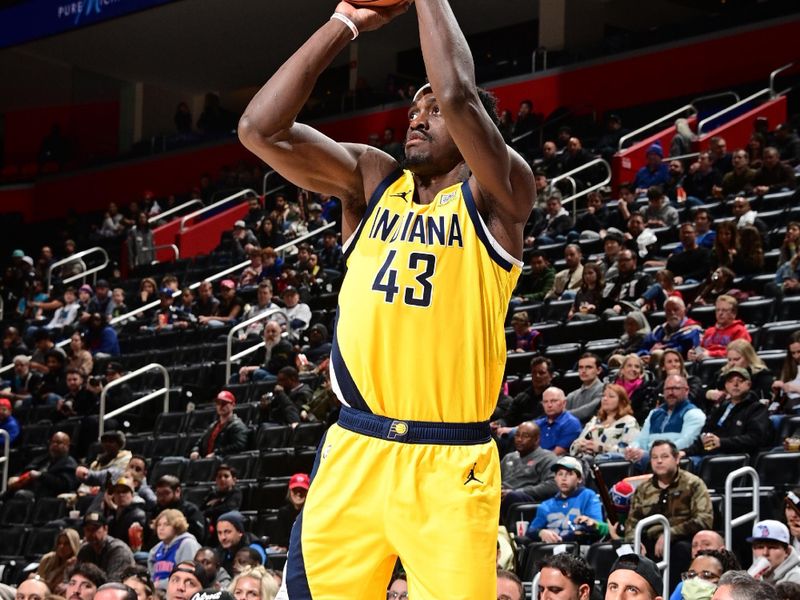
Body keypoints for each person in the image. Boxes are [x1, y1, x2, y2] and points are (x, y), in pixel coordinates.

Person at [239, 0, 536, 597]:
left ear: (479, 133)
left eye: (432, 112)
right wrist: (345, 22)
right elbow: (258, 130)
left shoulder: (499, 191)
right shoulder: (373, 181)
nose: (418, 119)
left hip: (450, 461)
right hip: (355, 445)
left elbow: (458, 94)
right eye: (412, 109)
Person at [625, 440, 713, 588]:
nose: (659, 461)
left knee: (679, 551)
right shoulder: (643, 489)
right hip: (648, 542)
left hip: (681, 541)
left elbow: (705, 519)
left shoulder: (693, 483)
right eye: (654, 457)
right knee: (624, 552)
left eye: (664, 456)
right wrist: (635, 541)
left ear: (677, 458)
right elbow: (631, 524)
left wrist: (670, 534)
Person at [683, 367, 773, 461]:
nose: (735, 384)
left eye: (740, 381)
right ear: (726, 385)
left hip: (738, 458)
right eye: (730, 381)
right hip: (712, 455)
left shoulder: (757, 408)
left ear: (748, 384)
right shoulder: (722, 407)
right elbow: (705, 434)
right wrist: (686, 451)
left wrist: (722, 442)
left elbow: (755, 439)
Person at [625, 375, 705, 470]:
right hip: (647, 457)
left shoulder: (694, 413)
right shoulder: (654, 413)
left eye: (676, 388)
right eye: (667, 389)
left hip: (670, 459)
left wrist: (652, 454)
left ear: (686, 390)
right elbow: (641, 439)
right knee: (615, 459)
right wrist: (632, 449)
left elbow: (686, 443)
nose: (671, 392)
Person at [525, 456, 605, 544]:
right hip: (551, 550)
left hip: (579, 547)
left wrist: (590, 523)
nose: (564, 478)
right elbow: (531, 531)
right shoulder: (546, 505)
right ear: (555, 478)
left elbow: (598, 527)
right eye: (560, 474)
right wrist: (540, 533)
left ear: (579, 479)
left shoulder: (588, 496)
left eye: (570, 474)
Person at [570, 383, 640, 462]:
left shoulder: (629, 422)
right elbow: (574, 445)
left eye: (611, 396)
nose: (605, 399)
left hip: (610, 464)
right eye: (603, 396)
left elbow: (630, 452)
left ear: (622, 401)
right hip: (584, 460)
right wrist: (581, 445)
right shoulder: (595, 420)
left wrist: (601, 448)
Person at [499, 421, 558, 515]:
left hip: (526, 500)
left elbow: (552, 485)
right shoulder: (509, 457)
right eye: (517, 435)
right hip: (502, 496)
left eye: (525, 436)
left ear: (536, 439)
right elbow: (496, 481)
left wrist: (518, 491)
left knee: (512, 496)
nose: (519, 439)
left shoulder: (547, 458)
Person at [5, 431, 78, 499]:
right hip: (29, 488)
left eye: (58, 443)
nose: (54, 445)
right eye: (52, 442)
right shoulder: (43, 458)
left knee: (21, 494)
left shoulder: (69, 463)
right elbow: (27, 469)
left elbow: (63, 485)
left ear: (67, 446)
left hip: (46, 495)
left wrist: (40, 475)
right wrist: (17, 477)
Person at [148, 509, 203, 591]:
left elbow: (188, 575)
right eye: (159, 525)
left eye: (166, 524)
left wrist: (160, 584)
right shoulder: (156, 549)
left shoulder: (188, 544)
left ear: (177, 525)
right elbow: (152, 574)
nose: (161, 528)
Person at [689, 295, 750, 362]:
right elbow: (701, 349)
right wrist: (694, 353)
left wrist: (710, 354)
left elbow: (739, 353)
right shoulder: (709, 331)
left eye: (724, 310)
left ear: (734, 313)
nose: (720, 313)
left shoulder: (740, 330)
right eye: (718, 310)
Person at [189, 391, 248, 460]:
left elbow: (239, 446)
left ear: (233, 405)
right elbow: (199, 443)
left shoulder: (238, 426)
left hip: (219, 464)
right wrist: (195, 451)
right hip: (205, 462)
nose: (221, 406)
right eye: (218, 403)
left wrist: (216, 453)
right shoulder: (213, 425)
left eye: (224, 403)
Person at [747, 520, 800, 586]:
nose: (765, 553)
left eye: (772, 547)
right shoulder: (755, 576)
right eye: (760, 547)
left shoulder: (796, 578)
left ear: (787, 551)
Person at [215, 512, 266, 576]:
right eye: (219, 533)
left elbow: (258, 574)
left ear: (240, 532)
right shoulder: (220, 550)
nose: (223, 537)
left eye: (227, 532)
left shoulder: (254, 548)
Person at [536, 387, 583, 455]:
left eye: (554, 401)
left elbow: (557, 453)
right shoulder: (538, 424)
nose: (549, 405)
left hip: (557, 462)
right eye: (545, 402)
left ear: (564, 403)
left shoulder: (571, 423)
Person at [270, 474, 310, 553]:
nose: (299, 494)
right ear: (290, 492)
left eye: (302, 490)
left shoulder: (312, 511)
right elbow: (280, 540)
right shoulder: (283, 512)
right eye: (295, 490)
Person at [38, 528, 81, 594]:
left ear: (74, 545)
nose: (61, 546)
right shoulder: (48, 559)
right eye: (59, 543)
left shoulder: (78, 564)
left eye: (66, 543)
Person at [566, 353, 605, 424]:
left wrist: (562, 415)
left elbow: (589, 411)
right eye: (581, 367)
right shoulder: (571, 395)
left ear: (599, 370)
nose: (583, 371)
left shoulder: (605, 389)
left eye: (589, 367)